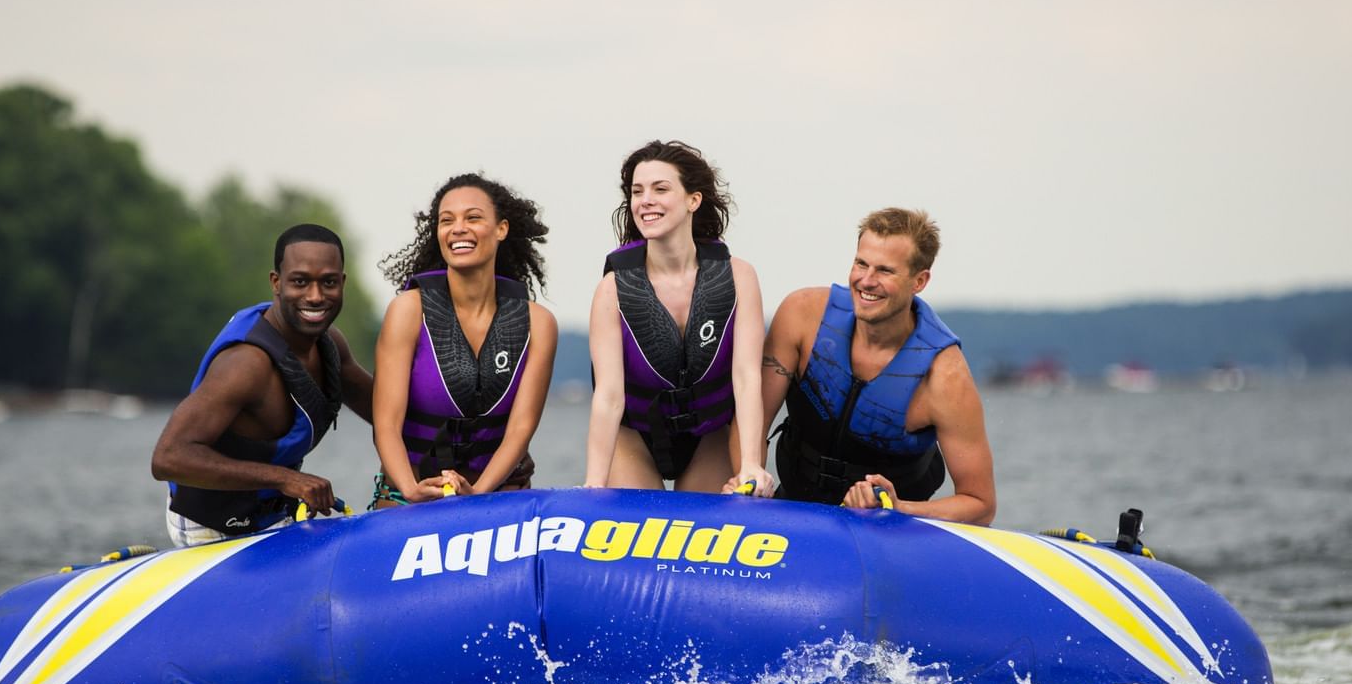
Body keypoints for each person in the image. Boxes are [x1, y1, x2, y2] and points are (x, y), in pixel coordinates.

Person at [751, 208, 996, 525]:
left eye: (885, 271)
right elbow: (751, 423)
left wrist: (896, 509)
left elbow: (981, 504)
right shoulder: (801, 316)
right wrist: (750, 479)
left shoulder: (944, 376)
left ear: (919, 281)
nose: (866, 281)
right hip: (794, 508)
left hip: (887, 531)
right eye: (860, 264)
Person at [151, 224, 375, 546]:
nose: (315, 296)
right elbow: (167, 458)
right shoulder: (246, 364)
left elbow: (385, 411)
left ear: (342, 283)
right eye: (300, 282)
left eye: (328, 283)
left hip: (270, 514)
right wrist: (287, 480)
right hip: (209, 525)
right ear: (276, 283)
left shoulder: (331, 346)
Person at [584, 140, 773, 495]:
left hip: (709, 435)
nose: (646, 201)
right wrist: (593, 485)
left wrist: (751, 464)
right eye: (637, 192)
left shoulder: (739, 277)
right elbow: (609, 396)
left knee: (706, 534)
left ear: (693, 200)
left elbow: (747, 378)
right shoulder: (612, 290)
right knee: (639, 537)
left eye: (661, 189)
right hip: (635, 436)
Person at [369, 174, 558, 506]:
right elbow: (386, 425)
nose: (458, 228)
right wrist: (411, 489)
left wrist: (478, 495)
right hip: (410, 492)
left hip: (499, 494)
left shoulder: (538, 324)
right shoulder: (407, 312)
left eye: (473, 218)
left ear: (501, 229)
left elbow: (519, 431)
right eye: (447, 220)